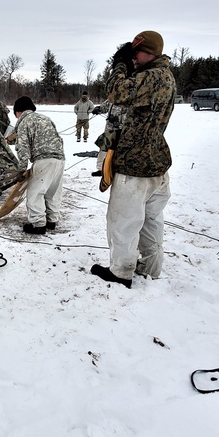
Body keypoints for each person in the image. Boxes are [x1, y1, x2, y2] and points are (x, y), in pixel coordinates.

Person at [91, 31, 176, 288]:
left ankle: (121, 271)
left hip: (135, 167)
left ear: (147, 52)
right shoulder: (165, 76)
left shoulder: (151, 76)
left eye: (134, 55)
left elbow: (116, 91)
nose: (133, 60)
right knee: (151, 221)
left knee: (123, 221)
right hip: (155, 164)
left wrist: (119, 65)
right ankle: (151, 267)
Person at [11, 96, 65, 234]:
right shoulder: (46, 119)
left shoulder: (24, 122)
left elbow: (23, 148)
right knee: (52, 191)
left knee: (35, 192)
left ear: (18, 112)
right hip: (59, 158)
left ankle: (38, 224)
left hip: (43, 160)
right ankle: (52, 220)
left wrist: (21, 170)